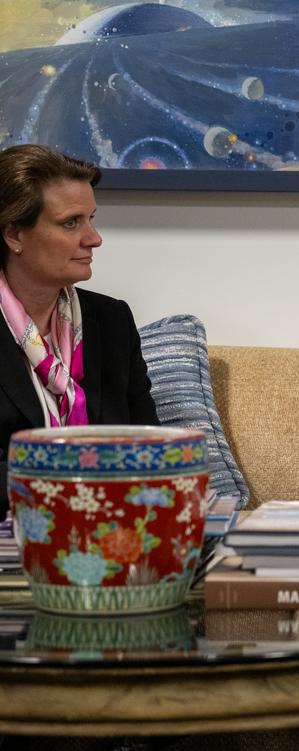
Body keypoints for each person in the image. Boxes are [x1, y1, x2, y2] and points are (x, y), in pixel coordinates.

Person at [0, 144, 158, 516]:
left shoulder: (112, 320)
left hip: (113, 532)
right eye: (71, 223)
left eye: (91, 218)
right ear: (14, 235)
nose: (94, 238)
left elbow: (150, 449)